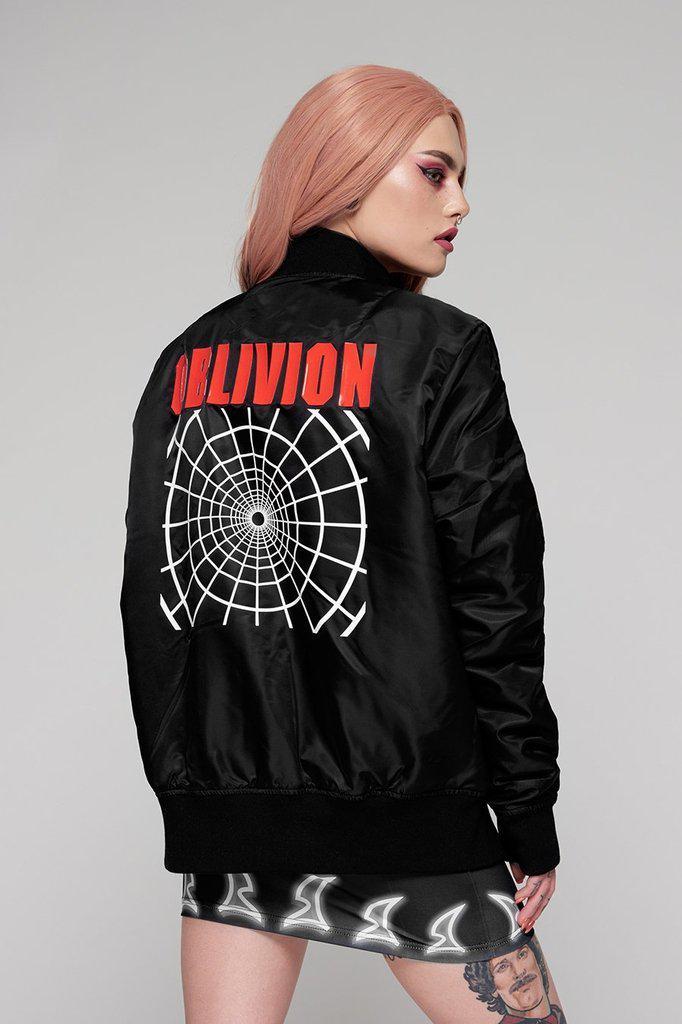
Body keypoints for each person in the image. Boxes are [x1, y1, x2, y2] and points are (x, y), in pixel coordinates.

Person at [120, 64, 567, 1023]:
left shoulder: (187, 357)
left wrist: (194, 793)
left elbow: (152, 601)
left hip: (232, 820)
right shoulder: (439, 348)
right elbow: (496, 597)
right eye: (435, 171)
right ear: (346, 170)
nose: (460, 202)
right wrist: (527, 806)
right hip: (413, 805)